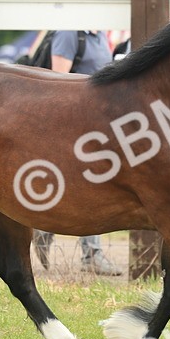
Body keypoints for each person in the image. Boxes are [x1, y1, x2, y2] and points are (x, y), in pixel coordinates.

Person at [33, 29, 122, 276]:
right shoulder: (70, 33)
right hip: (74, 126)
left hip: (96, 124)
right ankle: (89, 254)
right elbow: (56, 81)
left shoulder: (99, 35)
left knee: (88, 186)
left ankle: (43, 230)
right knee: (88, 185)